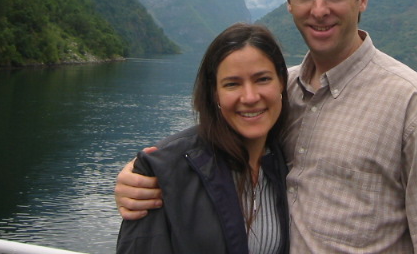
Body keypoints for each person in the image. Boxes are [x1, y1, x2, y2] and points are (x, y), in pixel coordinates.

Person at [115, 0, 417, 253]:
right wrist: (142, 172)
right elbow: (207, 141)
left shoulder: (415, 102)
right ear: (290, 4)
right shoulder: (281, 91)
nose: (319, 8)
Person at [116, 23, 290, 254]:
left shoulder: (283, 161)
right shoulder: (166, 171)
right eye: (232, 84)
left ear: (282, 82)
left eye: (262, 79)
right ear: (214, 93)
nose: (249, 97)